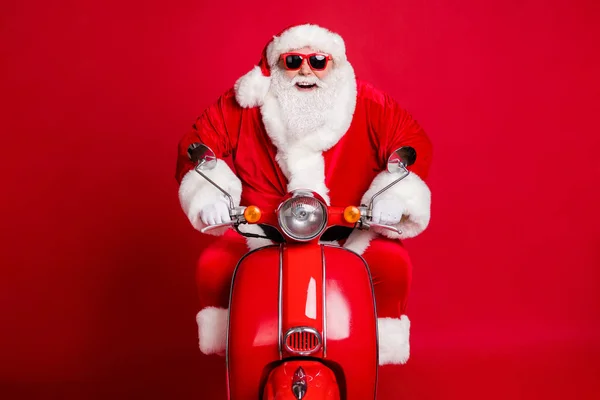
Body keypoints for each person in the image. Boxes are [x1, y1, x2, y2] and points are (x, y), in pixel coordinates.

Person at [175, 23, 432, 365]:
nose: (306, 71)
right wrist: (209, 195)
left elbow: (410, 143)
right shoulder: (243, 104)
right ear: (275, 66)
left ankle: (378, 343)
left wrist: (392, 196)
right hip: (261, 228)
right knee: (214, 266)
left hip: (348, 226)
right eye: (293, 61)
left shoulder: (368, 102)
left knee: (393, 264)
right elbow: (200, 144)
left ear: (334, 65)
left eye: (318, 61)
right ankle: (237, 348)